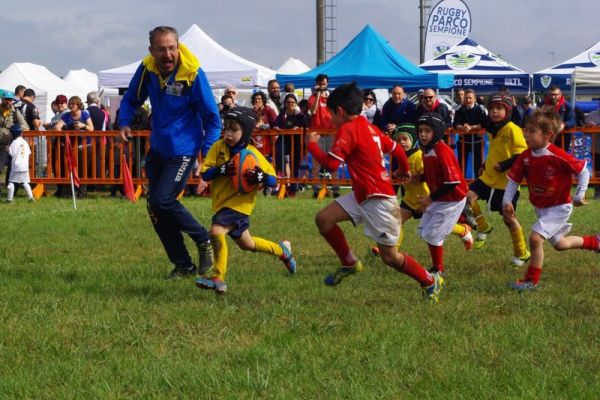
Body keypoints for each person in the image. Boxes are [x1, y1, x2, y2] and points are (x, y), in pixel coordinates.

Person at [305, 82, 443, 302]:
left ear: (340, 112)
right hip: (363, 194)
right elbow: (396, 148)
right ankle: (349, 262)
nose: (331, 120)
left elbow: (331, 165)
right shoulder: (369, 127)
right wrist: (404, 169)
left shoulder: (348, 130)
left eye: (331, 114)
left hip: (379, 199)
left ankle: (429, 280)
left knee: (390, 257)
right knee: (323, 219)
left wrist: (311, 145)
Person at [118, 26, 221, 279]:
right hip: (159, 149)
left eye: (171, 48)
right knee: (155, 208)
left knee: (161, 201)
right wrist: (123, 123)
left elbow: (213, 120)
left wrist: (206, 159)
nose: (167, 55)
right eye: (161, 49)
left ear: (179, 47)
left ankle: (202, 238)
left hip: (184, 150)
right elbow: (132, 98)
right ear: (151, 50)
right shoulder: (147, 69)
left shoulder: (193, 74)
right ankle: (183, 265)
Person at [195, 107, 296, 293]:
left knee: (216, 231)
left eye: (234, 129)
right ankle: (283, 251)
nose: (228, 133)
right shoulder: (218, 148)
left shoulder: (252, 155)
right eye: (226, 128)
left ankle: (218, 277)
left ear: (246, 132)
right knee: (248, 244)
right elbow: (206, 174)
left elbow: (273, 180)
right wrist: (222, 169)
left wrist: (260, 177)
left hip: (239, 205)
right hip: (222, 204)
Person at [503, 108, 598, 291]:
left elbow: (583, 172)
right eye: (526, 129)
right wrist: (507, 201)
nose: (526, 134)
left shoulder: (557, 154)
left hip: (559, 207)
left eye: (532, 131)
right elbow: (513, 181)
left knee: (535, 239)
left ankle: (531, 281)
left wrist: (579, 194)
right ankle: (595, 242)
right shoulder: (526, 156)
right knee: (560, 244)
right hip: (541, 208)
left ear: (548, 135)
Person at [370, 123, 473, 257]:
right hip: (409, 198)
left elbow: (428, 174)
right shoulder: (400, 157)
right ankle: (393, 250)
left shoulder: (419, 155)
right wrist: (398, 173)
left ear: (413, 140)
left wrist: (415, 177)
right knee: (396, 221)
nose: (401, 143)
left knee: (437, 227)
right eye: (398, 140)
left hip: (425, 198)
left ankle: (462, 230)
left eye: (405, 139)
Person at [465, 94, 530, 267]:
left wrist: (504, 165)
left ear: (507, 111)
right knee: (469, 196)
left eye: (499, 108)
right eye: (492, 108)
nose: (494, 112)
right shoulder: (493, 129)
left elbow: (521, 154)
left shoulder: (512, 128)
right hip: (489, 176)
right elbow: (497, 151)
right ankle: (483, 226)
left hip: (507, 181)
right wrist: (486, 163)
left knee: (508, 218)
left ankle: (521, 252)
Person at [416, 112, 468, 276]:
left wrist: (430, 199)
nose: (423, 134)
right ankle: (463, 230)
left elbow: (452, 182)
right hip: (440, 197)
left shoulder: (442, 150)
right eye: (421, 130)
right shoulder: (426, 149)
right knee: (423, 231)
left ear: (436, 132)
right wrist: (420, 177)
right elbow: (436, 174)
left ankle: (438, 270)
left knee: (432, 234)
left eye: (427, 131)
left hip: (452, 199)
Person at [307, 73, 339, 198]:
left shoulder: (332, 98)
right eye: (319, 84)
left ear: (327, 84)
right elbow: (313, 111)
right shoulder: (312, 97)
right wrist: (318, 94)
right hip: (318, 134)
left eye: (324, 84)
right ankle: (316, 189)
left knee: (334, 161)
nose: (321, 86)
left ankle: (335, 188)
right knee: (317, 163)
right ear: (316, 84)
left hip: (331, 133)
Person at [273, 93, 308, 196]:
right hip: (283, 141)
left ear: (296, 103)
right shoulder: (282, 114)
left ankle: (293, 188)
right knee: (281, 160)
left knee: (295, 165)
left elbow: (306, 125)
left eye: (292, 102)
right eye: (288, 102)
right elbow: (275, 124)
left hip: (296, 143)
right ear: (285, 103)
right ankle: (285, 185)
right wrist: (275, 127)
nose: (290, 104)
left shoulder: (300, 115)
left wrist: (299, 128)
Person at [453, 89, 487, 177]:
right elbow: (455, 123)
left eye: (470, 98)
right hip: (463, 141)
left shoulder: (480, 109)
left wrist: (471, 127)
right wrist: (463, 128)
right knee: (461, 165)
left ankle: (478, 185)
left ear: (474, 99)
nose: (468, 100)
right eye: (466, 98)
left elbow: (484, 123)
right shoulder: (459, 109)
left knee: (478, 165)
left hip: (477, 141)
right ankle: (461, 184)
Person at [0, 89, 29, 189]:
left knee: (11, 168)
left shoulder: (15, 111)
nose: (9, 102)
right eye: (6, 99)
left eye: (10, 100)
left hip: (9, 144)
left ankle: (10, 188)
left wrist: (15, 129)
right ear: (2, 99)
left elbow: (26, 126)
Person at [541, 85, 575, 150]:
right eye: (551, 94)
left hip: (562, 139)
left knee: (561, 158)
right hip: (545, 138)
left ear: (560, 94)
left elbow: (572, 121)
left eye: (555, 94)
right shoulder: (542, 105)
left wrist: (564, 124)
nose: (553, 97)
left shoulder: (567, 106)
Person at [6, 124, 34, 202]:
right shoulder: (25, 142)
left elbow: (11, 153)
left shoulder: (14, 143)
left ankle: (9, 199)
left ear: (12, 134)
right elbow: (29, 152)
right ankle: (31, 198)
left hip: (16, 166)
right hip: (25, 166)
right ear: (21, 133)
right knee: (25, 182)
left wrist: (7, 149)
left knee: (11, 182)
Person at [250, 91, 277, 158]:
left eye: (259, 99)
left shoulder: (269, 110)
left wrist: (263, 126)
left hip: (268, 140)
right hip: (254, 140)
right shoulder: (251, 111)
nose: (257, 100)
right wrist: (254, 112)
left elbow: (275, 124)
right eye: (255, 99)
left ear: (263, 100)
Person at [584, 107, 600, 199]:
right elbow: (585, 132)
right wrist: (588, 127)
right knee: (597, 172)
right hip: (597, 148)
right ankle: (598, 193)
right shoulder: (592, 114)